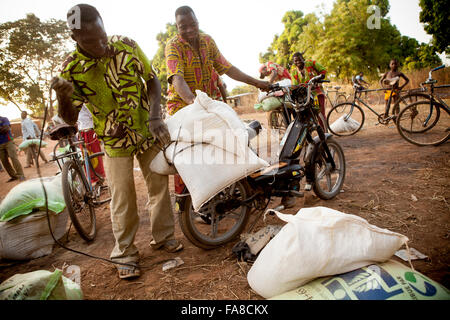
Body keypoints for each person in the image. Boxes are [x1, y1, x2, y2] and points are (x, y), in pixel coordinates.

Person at [51, 4, 181, 280]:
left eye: (102, 34)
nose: (101, 44)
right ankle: (125, 253)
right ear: (75, 39)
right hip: (113, 140)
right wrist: (63, 95)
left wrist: (156, 116)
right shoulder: (70, 69)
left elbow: (152, 79)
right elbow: (69, 117)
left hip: (147, 130)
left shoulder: (126, 45)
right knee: (122, 198)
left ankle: (163, 237)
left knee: (158, 186)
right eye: (90, 40)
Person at [165, 5, 270, 209]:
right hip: (183, 106)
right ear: (177, 27)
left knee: (235, 139)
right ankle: (185, 202)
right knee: (187, 156)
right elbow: (176, 78)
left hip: (209, 104)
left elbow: (227, 68)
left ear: (198, 22)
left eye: (192, 24)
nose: (188, 30)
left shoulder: (207, 41)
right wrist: (193, 103)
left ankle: (244, 186)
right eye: (182, 27)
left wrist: (258, 83)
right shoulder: (173, 45)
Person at [290, 52, 328, 122]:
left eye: (299, 59)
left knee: (321, 114)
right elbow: (295, 85)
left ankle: (324, 132)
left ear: (303, 59)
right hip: (305, 96)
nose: (298, 62)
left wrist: (319, 78)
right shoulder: (294, 72)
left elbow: (323, 70)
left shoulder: (311, 63)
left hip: (317, 92)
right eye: (296, 61)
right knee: (307, 116)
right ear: (293, 62)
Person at [77, 105, 106, 184]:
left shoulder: (85, 103)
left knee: (95, 155)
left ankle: (99, 177)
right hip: (81, 132)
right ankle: (92, 178)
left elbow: (93, 114)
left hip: (90, 131)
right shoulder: (73, 103)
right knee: (85, 156)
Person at [0, 115, 25, 182]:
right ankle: (13, 176)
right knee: (4, 161)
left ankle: (21, 175)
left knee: (13, 158)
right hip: (0, 144)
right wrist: (1, 128)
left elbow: (6, 129)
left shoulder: (4, 119)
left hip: (8, 141)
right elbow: (3, 129)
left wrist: (3, 129)